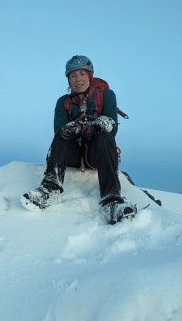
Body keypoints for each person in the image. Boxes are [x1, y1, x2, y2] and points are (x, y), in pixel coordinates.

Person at [21, 55, 137, 224]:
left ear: (89, 76)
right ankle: (50, 189)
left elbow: (111, 126)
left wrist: (86, 127)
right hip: (73, 155)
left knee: (105, 136)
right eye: (73, 76)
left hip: (96, 156)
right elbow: (58, 129)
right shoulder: (63, 102)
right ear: (68, 80)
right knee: (61, 135)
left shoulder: (107, 96)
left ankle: (111, 200)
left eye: (82, 74)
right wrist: (72, 128)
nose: (78, 79)